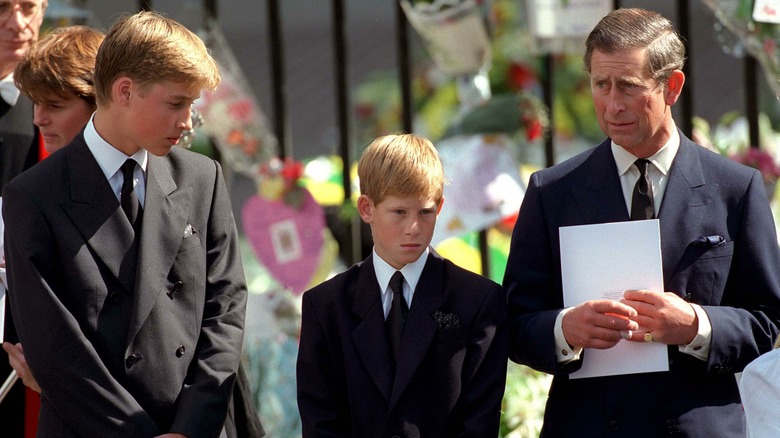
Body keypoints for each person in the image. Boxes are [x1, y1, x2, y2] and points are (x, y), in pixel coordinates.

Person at [503, 7, 780, 437]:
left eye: (628, 87)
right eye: (601, 85)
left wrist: (694, 324)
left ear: (672, 86)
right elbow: (514, 322)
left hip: (696, 425)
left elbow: (768, 322)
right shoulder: (552, 191)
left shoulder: (735, 187)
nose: (612, 104)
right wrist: (564, 329)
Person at [2, 11, 247, 437]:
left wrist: (190, 427)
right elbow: (55, 348)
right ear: (125, 91)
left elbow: (225, 309)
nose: (187, 122)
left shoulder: (202, 178)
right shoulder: (33, 196)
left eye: (191, 106)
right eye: (176, 104)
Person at [296, 133, 508, 437]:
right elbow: (320, 420)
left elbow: (479, 421)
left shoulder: (478, 300)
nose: (414, 228)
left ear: (440, 206)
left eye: (425, 212)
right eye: (399, 212)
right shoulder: (326, 306)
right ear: (366, 208)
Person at [0, 1, 46, 436]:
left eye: (29, 6)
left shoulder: (55, 104)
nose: (18, 24)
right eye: (1, 8)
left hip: (26, 315)